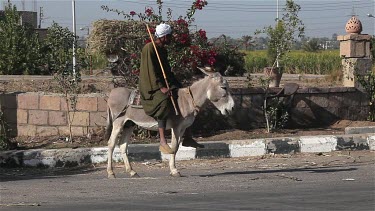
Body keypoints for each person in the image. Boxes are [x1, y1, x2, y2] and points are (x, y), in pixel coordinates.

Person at [139, 23, 204, 154]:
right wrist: (161, 87)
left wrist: (175, 83)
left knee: (186, 97)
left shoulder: (163, 49)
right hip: (151, 85)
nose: (171, 39)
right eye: (169, 37)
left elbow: (167, 70)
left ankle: (187, 136)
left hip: (165, 82)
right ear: (163, 37)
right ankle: (162, 141)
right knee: (163, 101)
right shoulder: (149, 48)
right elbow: (150, 71)